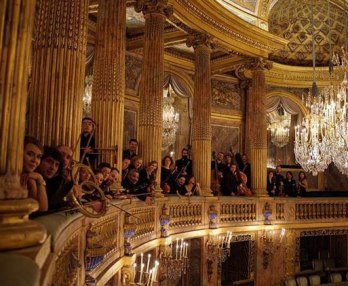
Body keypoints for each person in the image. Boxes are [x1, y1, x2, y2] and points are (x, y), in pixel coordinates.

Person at [21, 136, 47, 213]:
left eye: (38, 157)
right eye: (30, 154)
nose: (35, 160)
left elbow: (42, 210)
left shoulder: (31, 178)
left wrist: (40, 178)